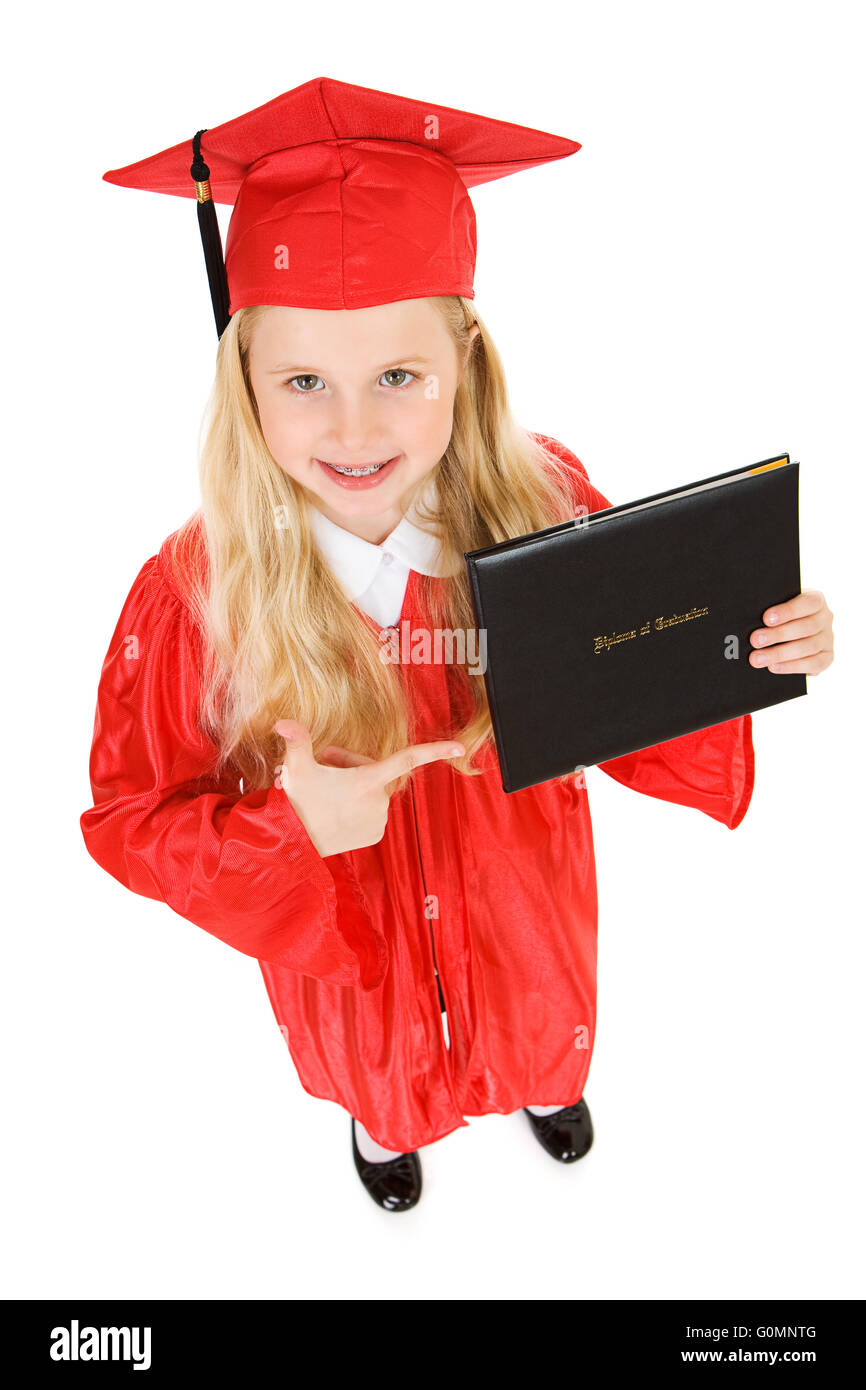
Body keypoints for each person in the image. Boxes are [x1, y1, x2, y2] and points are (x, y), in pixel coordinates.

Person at [79, 77, 835, 1213]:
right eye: (302, 382)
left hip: (517, 879)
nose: (352, 428)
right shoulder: (196, 591)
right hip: (354, 928)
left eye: (398, 375)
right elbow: (131, 820)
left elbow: (640, 668)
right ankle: (383, 1129)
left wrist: (749, 645)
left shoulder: (543, 504)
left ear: (465, 361)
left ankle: (541, 1088)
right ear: (242, 382)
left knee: (540, 1016)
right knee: (376, 1068)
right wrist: (288, 828)